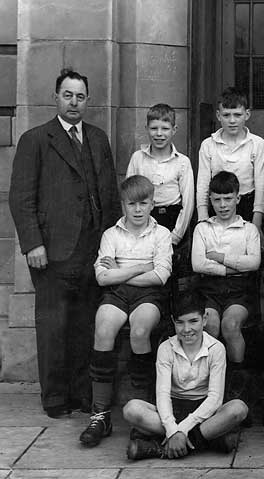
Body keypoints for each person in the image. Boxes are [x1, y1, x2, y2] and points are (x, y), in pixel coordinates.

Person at [9, 68, 120, 418]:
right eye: (68, 95)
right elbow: (21, 197)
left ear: (88, 100)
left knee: (85, 324)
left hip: (92, 249)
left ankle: (82, 393)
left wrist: (112, 247)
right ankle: (55, 397)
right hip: (52, 251)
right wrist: (33, 245)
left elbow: (111, 196)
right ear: (56, 97)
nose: (74, 102)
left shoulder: (99, 139)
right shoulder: (36, 139)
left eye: (81, 96)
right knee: (53, 325)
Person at [79, 175, 173, 447]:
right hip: (117, 294)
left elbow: (160, 276)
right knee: (104, 328)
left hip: (149, 294)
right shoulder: (111, 234)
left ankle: (140, 415)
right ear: (123, 205)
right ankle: (101, 414)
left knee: (140, 330)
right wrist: (140, 268)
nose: (138, 209)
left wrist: (118, 271)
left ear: (152, 204)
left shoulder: (161, 234)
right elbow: (102, 278)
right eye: (132, 204)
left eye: (144, 203)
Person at [122, 291, 248, 460]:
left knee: (238, 409)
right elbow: (163, 394)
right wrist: (173, 428)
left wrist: (182, 430)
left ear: (204, 319)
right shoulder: (166, 348)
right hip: (172, 409)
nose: (187, 329)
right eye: (180, 323)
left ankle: (160, 448)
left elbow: (215, 399)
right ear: (173, 321)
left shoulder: (216, 348)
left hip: (204, 411)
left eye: (193, 321)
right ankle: (203, 441)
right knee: (131, 410)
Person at [191, 171, 261, 402]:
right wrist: (233, 266)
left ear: (238, 198)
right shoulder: (203, 229)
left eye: (228, 199)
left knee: (230, 325)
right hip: (209, 290)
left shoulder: (248, 229)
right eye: (217, 200)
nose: (222, 205)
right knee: (210, 324)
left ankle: (236, 383)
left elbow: (254, 262)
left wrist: (220, 257)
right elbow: (198, 264)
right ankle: (210, 383)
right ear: (210, 200)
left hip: (240, 291)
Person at [196, 87, 264, 239]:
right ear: (218, 116)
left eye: (237, 115)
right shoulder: (208, 145)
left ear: (247, 114)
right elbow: (202, 185)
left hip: (247, 206)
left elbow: (262, 185)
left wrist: (257, 220)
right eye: (226, 115)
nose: (232, 120)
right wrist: (203, 218)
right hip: (218, 206)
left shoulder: (257, 144)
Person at [126, 103, 194, 247]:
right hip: (144, 220)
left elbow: (188, 203)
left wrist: (176, 236)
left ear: (174, 130)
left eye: (165, 129)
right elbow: (128, 196)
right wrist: (134, 229)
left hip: (172, 221)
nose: (159, 134)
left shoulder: (182, 162)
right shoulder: (138, 158)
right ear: (146, 129)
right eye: (154, 128)